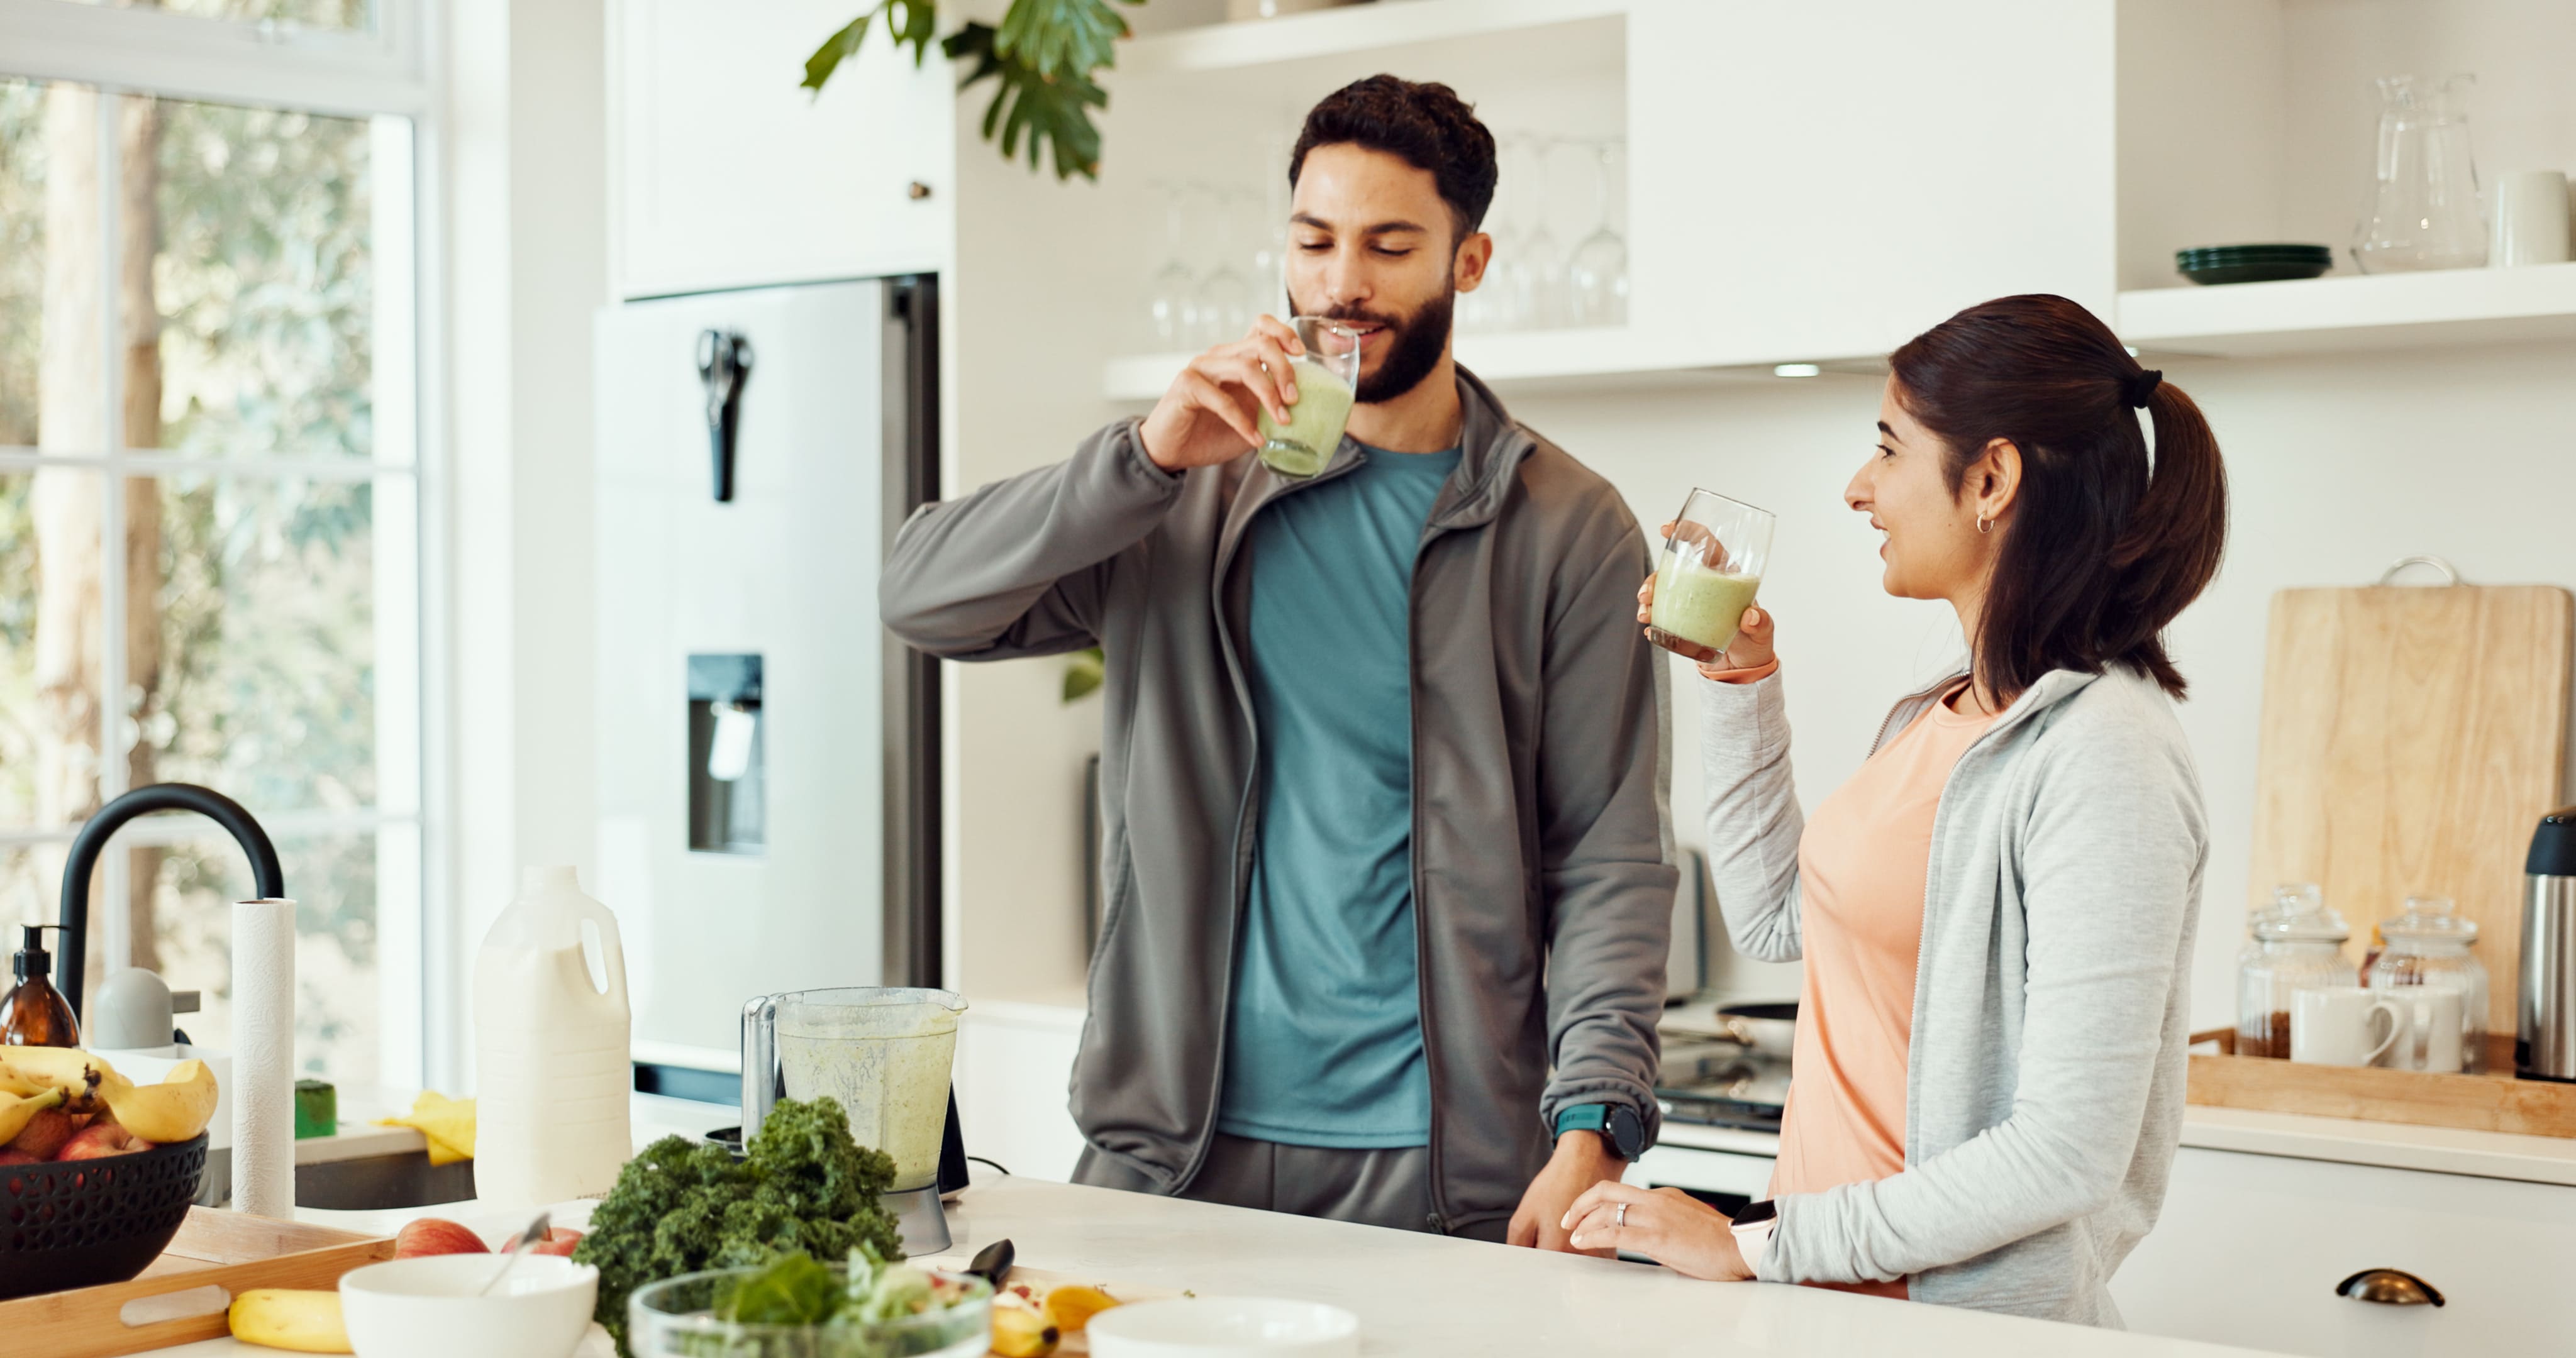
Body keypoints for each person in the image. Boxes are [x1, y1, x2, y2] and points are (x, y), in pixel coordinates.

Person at [880, 75, 1675, 1247]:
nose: (1341, 282)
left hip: (1440, 1175)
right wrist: (1145, 457)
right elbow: (920, 598)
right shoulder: (1180, 491)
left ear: (1470, 260)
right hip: (1168, 1154)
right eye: (1314, 241)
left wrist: (1593, 1126)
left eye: (1389, 245)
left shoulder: (1566, 527)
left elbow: (1611, 850)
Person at [1565, 294, 2227, 1325]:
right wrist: (1743, 683)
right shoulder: (1938, 716)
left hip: (1958, 1325)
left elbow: (2067, 1153)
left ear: (1992, 480)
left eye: (1887, 449)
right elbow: (1778, 921)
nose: (1858, 489)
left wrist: (1757, 1244)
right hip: (1838, 1308)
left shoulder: (2106, 754)